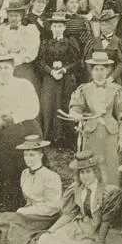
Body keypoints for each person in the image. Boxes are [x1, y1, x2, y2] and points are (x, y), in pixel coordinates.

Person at [0, 51, 41, 211]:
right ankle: (6, 198)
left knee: (23, 159)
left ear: (13, 68)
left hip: (22, 128)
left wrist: (14, 117)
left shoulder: (23, 85)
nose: (3, 71)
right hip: (0, 129)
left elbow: (33, 108)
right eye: (0, 68)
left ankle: (27, 196)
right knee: (2, 161)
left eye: (6, 67)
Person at [36, 150, 118, 244]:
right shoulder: (78, 189)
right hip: (78, 227)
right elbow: (70, 214)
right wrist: (51, 230)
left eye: (88, 171)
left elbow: (109, 222)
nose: (85, 176)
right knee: (43, 242)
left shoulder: (108, 192)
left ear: (96, 172)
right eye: (82, 172)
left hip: (95, 233)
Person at [0, 136, 62, 244]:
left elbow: (53, 206)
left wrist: (27, 212)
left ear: (41, 155)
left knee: (11, 221)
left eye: (32, 155)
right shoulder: (24, 174)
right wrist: (26, 211)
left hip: (46, 216)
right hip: (30, 214)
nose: (28, 159)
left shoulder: (51, 177)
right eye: (26, 155)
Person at [69, 52, 122, 187]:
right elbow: (75, 107)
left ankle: (113, 195)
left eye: (102, 69)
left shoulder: (116, 89)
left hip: (111, 132)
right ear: (91, 71)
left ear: (108, 70)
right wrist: (75, 113)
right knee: (92, 164)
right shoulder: (84, 89)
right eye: (96, 69)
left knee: (112, 164)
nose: (99, 72)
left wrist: (121, 137)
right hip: (91, 133)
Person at [37, 12, 80, 149]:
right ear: (51, 28)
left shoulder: (70, 42)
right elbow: (40, 62)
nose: (57, 28)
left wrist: (64, 70)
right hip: (50, 77)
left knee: (64, 104)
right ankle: (50, 137)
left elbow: (77, 62)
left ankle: (64, 139)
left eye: (60, 26)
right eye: (55, 25)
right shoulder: (46, 43)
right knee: (48, 105)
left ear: (64, 28)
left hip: (66, 79)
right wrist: (50, 71)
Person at [0, 1, 41, 93]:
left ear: (21, 16)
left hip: (22, 66)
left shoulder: (29, 30)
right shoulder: (3, 29)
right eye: (11, 16)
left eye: (16, 16)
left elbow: (30, 52)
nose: (13, 18)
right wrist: (2, 48)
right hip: (5, 67)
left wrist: (14, 59)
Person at [82, 9, 122, 87]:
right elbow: (87, 61)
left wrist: (111, 78)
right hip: (94, 79)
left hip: (112, 80)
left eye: (107, 24)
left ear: (113, 25)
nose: (104, 27)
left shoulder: (119, 42)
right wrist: (93, 76)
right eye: (102, 24)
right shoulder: (92, 41)